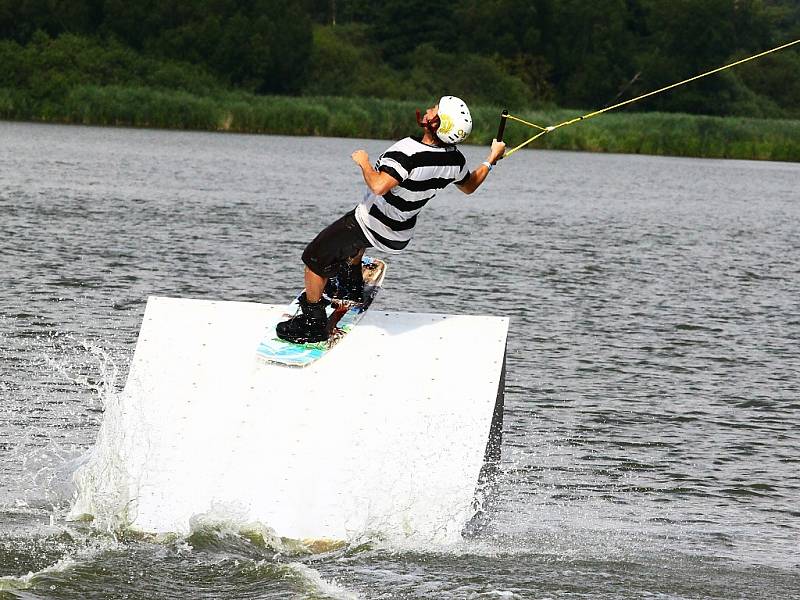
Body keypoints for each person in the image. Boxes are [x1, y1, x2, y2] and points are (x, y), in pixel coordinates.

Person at [276, 95, 506, 343]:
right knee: (353, 235)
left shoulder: (407, 153)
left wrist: (364, 162)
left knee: (313, 260)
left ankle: (312, 323)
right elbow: (470, 186)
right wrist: (491, 158)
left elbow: (379, 186)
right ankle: (351, 283)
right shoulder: (454, 160)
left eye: (434, 109)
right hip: (399, 234)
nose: (428, 109)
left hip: (372, 223)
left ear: (437, 123)